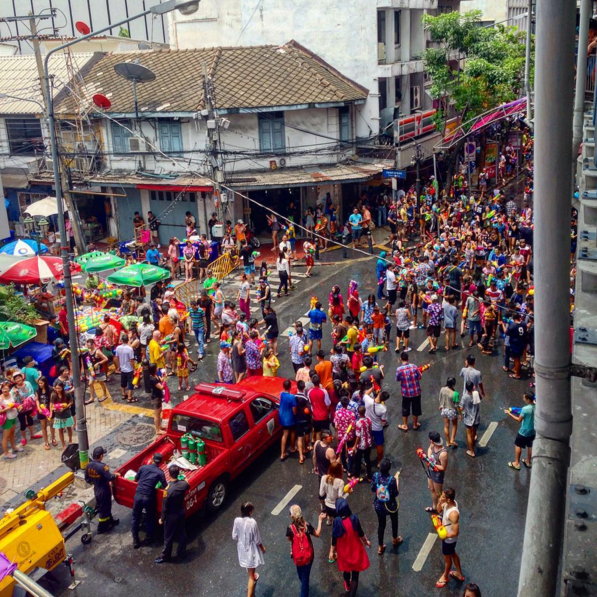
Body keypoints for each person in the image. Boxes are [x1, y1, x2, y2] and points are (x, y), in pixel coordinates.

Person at [332, 498, 371, 595]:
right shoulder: (354, 518)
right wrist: (366, 542)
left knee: (346, 569)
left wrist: (332, 551)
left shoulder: (337, 521)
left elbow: (334, 538)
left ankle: (347, 584)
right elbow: (361, 533)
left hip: (344, 551)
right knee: (355, 574)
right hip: (355, 550)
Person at [286, 505, 325, 597]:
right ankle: (305, 586)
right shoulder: (307, 525)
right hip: (308, 556)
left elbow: (288, 538)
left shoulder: (290, 528)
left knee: (302, 577)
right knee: (305, 578)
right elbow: (317, 534)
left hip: (298, 558)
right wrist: (320, 520)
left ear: (292, 516)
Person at [155, 464, 189, 564]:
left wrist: (162, 519)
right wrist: (185, 478)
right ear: (178, 474)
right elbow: (187, 484)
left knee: (168, 536)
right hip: (181, 512)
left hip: (171, 516)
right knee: (182, 533)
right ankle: (181, 553)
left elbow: (165, 506)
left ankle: (165, 556)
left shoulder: (168, 490)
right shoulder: (183, 485)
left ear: (169, 474)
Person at [132, 452, 167, 548]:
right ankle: (149, 538)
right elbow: (165, 487)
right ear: (161, 462)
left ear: (152, 459)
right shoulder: (160, 472)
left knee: (136, 517)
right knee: (150, 517)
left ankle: (135, 539)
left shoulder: (142, 468)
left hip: (138, 495)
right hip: (148, 497)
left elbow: (135, 480)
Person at [232, 502, 265, 597]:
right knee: (251, 576)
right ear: (250, 511)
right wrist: (263, 549)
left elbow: (234, 536)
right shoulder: (253, 522)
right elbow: (257, 539)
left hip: (241, 550)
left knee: (249, 570)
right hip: (251, 551)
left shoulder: (237, 520)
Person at [85, 446, 120, 534]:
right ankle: (101, 527)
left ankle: (110, 520)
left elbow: (87, 479)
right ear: (100, 456)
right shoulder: (103, 467)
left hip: (97, 490)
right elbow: (110, 477)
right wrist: (116, 475)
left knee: (106, 507)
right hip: (104, 490)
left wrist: (96, 482)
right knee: (104, 509)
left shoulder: (88, 465)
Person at [371, 457, 402, 555]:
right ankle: (395, 538)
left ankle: (380, 546)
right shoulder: (392, 479)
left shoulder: (375, 476)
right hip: (391, 505)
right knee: (394, 520)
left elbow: (372, 489)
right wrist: (397, 481)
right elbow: (395, 493)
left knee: (381, 525)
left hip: (379, 504)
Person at [435, 487, 465, 588]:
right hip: (447, 538)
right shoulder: (449, 503)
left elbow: (455, 532)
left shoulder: (453, 513)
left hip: (449, 540)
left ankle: (445, 577)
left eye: (443, 497)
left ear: (448, 499)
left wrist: (443, 536)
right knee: (452, 553)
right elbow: (438, 510)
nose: (441, 497)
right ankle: (459, 574)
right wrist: (439, 503)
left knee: (447, 558)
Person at [505, 391, 536, 470]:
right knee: (530, 445)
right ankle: (528, 461)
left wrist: (509, 413)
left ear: (528, 399)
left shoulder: (525, 409)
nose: (523, 399)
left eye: (524, 398)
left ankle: (517, 463)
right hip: (533, 430)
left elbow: (519, 420)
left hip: (524, 431)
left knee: (518, 445)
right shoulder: (537, 406)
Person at [396, 351, 422, 432]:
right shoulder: (414, 366)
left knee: (405, 408)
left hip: (406, 393)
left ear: (400, 359)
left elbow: (398, 379)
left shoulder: (399, 369)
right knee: (416, 408)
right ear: (408, 358)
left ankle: (405, 425)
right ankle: (415, 424)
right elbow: (419, 377)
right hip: (416, 392)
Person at [426, 431, 449, 513]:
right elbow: (429, 449)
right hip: (431, 472)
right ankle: (434, 507)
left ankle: (442, 511)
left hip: (437, 475)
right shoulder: (433, 445)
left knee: (439, 494)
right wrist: (428, 458)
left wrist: (431, 464)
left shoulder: (443, 454)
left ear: (432, 440)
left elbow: (443, 467)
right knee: (431, 489)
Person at [461, 380, 481, 458]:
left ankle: (471, 451)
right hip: (476, 416)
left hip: (468, 418)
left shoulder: (465, 396)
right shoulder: (476, 393)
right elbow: (480, 399)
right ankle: (473, 440)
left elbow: (461, 407)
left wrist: (460, 413)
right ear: (473, 387)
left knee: (468, 434)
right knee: (474, 431)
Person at [0, 380, 20, 459]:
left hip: (14, 416)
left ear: (9, 389)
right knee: (6, 437)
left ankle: (14, 447)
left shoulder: (11, 394)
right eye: (3, 388)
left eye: (6, 388)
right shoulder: (0, 398)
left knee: (12, 433)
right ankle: (6, 453)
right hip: (7, 419)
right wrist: (8, 408)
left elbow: (14, 402)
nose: (5, 390)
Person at [115, 334, 137, 403]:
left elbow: (117, 358)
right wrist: (134, 369)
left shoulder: (118, 348)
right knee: (130, 384)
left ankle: (123, 394)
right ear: (128, 340)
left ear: (121, 340)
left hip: (122, 369)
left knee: (123, 382)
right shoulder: (129, 349)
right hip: (129, 369)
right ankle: (129, 397)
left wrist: (118, 366)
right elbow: (131, 360)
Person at [308, 374, 331, 440]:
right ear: (319, 381)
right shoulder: (324, 391)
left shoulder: (309, 392)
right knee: (326, 433)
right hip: (324, 416)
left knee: (317, 432)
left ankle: (318, 447)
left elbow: (310, 403)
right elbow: (328, 403)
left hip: (315, 417)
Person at [35, 376, 56, 450]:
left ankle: (53, 438)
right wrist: (38, 408)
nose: (40, 385)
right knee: (43, 427)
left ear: (45, 382)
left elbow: (51, 401)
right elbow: (37, 400)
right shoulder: (38, 390)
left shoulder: (50, 390)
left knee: (52, 425)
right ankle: (46, 442)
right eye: (39, 383)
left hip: (49, 409)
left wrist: (50, 412)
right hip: (41, 411)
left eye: (41, 383)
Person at [439, 377, 459, 448]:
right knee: (454, 425)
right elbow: (456, 405)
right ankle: (452, 439)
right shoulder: (455, 393)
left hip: (444, 409)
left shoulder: (442, 389)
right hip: (451, 410)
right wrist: (460, 414)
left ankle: (447, 442)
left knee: (446, 425)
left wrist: (441, 405)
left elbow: (440, 398)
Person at [279, 379, 297, 461]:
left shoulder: (281, 394)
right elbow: (294, 409)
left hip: (282, 417)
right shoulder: (292, 397)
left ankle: (282, 453)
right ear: (290, 387)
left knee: (284, 434)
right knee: (293, 432)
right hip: (290, 418)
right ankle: (292, 448)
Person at [149, 364, 165, 436]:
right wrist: (164, 383)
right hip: (156, 398)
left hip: (158, 396)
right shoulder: (153, 379)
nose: (158, 368)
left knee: (159, 412)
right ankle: (157, 430)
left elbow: (161, 380)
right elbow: (161, 387)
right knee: (157, 414)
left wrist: (164, 376)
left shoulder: (156, 376)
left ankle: (159, 426)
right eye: (156, 367)